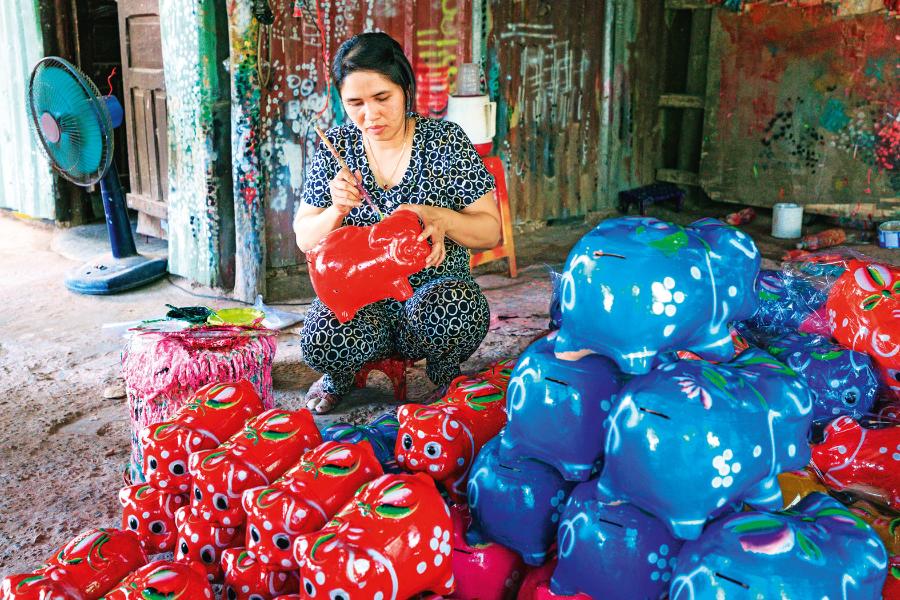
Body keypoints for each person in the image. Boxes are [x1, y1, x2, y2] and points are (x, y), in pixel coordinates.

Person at [293, 32, 502, 414]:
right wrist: (335, 210)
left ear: (405, 88)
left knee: (458, 309)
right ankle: (341, 375)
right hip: (361, 307)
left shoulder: (445, 143)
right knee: (320, 336)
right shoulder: (337, 148)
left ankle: (444, 369)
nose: (369, 116)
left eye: (382, 98)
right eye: (354, 103)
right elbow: (306, 238)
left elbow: (490, 231)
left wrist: (439, 216)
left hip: (429, 299)